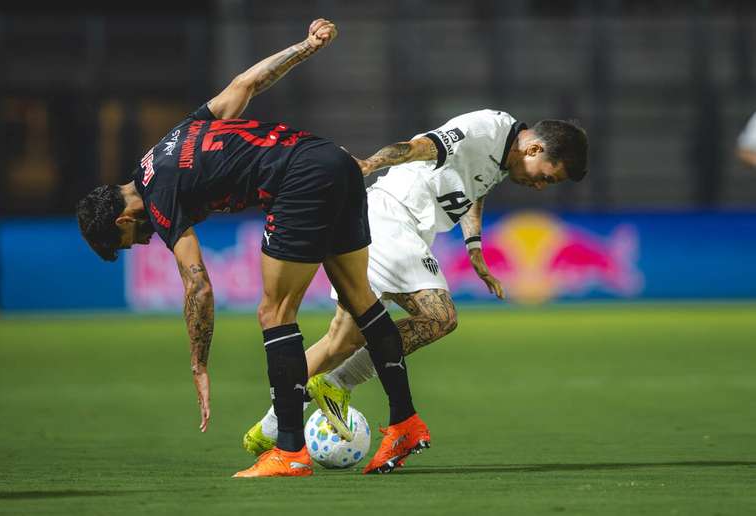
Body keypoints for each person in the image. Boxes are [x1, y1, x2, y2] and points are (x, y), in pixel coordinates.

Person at [75, 19, 430, 477]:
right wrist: (305, 46)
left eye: (127, 241)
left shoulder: (159, 200)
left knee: (274, 313)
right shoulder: (166, 146)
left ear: (123, 220)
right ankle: (405, 421)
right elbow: (247, 83)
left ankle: (289, 451)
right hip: (334, 160)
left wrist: (198, 364)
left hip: (299, 181)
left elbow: (198, 285)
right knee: (362, 299)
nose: (140, 243)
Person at [243, 109, 588, 453]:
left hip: (391, 225)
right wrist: (367, 165)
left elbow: (474, 188)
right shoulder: (485, 129)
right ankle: (337, 383)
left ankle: (270, 428)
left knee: (342, 341)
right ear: (534, 150)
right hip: (392, 220)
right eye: (548, 177)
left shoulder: (502, 154)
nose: (541, 185)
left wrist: (475, 248)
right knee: (440, 317)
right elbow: (421, 147)